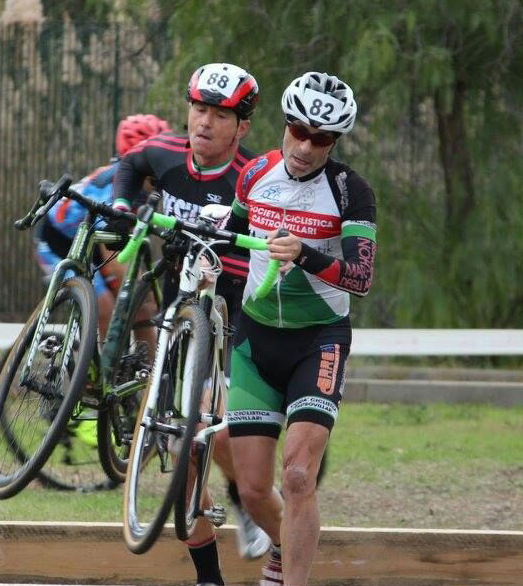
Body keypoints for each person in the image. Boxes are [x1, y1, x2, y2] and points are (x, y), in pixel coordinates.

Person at [112, 62, 270, 585]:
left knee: (212, 434)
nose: (203, 122)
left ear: (241, 126)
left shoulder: (253, 176)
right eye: (198, 108)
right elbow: (130, 166)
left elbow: (271, 252)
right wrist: (122, 204)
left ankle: (246, 502)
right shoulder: (166, 152)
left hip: (233, 315)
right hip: (181, 312)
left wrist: (228, 263)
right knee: (179, 446)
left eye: (219, 114)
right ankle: (208, 577)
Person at [220, 71, 377, 586]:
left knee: (298, 475)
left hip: (318, 341)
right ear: (284, 123)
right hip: (254, 340)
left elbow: (361, 275)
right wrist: (206, 255)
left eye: (322, 138)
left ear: (336, 141)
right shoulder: (254, 174)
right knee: (251, 488)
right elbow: (231, 238)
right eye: (298, 129)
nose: (306, 146)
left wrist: (305, 254)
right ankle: (287, 551)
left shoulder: (351, 191)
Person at [33, 114, 172, 341]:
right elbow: (113, 250)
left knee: (141, 311)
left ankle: (150, 374)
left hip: (95, 241)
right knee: (104, 307)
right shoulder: (120, 185)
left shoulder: (145, 186)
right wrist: (140, 287)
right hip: (59, 242)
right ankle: (95, 374)